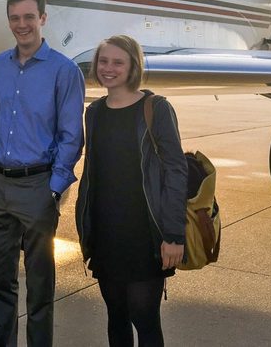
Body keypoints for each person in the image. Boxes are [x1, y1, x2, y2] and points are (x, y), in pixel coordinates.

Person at [0, 0, 85, 347]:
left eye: (28, 17)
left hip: (37, 186)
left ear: (43, 18)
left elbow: (72, 136)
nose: (21, 25)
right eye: (14, 18)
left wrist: (53, 188)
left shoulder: (64, 71)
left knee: (40, 284)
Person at [75, 35, 188, 347]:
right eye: (103, 61)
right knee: (116, 316)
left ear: (132, 67)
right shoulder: (94, 113)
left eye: (117, 62)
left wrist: (174, 235)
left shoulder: (156, 109)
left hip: (145, 233)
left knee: (145, 318)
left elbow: (176, 172)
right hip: (106, 233)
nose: (108, 68)